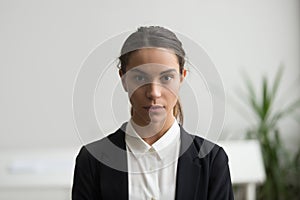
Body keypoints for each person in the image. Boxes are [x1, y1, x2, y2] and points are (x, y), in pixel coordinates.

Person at [72, 26, 234, 200]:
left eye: (166, 78)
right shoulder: (92, 161)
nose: (154, 92)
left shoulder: (212, 160)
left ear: (181, 78)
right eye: (140, 78)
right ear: (123, 79)